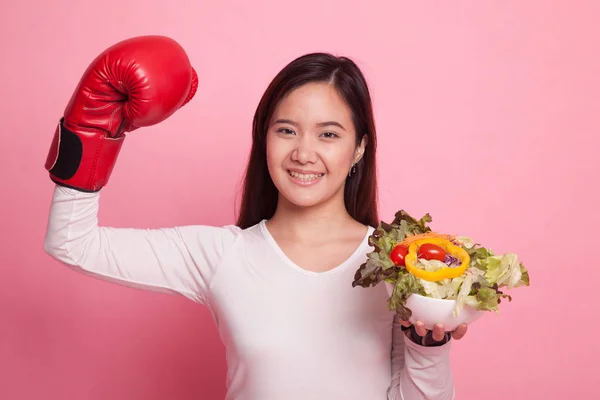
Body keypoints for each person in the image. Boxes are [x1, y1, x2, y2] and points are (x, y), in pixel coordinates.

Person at [43, 35, 467, 400]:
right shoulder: (221, 254)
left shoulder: (396, 263)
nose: (303, 153)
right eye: (286, 130)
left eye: (328, 134)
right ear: (263, 137)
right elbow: (73, 242)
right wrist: (90, 128)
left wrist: (428, 346)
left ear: (359, 148)